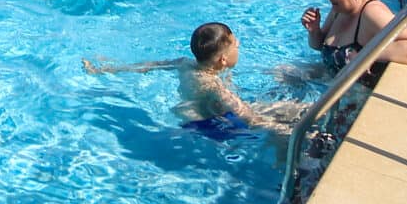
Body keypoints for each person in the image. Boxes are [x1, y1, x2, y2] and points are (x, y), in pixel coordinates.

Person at [82, 23, 301, 135]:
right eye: (236, 44)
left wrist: (107, 69)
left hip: (195, 116)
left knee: (291, 110)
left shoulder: (185, 63)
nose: (239, 45)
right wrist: (285, 130)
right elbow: (248, 116)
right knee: (289, 116)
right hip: (211, 127)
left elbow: (148, 66)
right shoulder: (213, 85)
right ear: (223, 60)